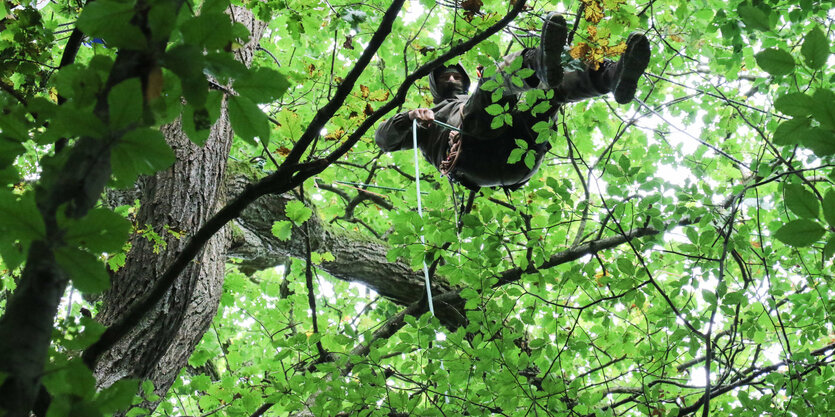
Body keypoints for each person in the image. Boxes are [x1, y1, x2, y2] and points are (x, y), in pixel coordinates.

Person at [374, 13, 651, 191]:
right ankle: (535, 64)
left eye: (455, 74)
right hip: (471, 155)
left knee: (547, 94)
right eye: (444, 76)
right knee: (493, 83)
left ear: (464, 81)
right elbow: (383, 140)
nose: (450, 78)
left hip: (520, 153)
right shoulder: (428, 118)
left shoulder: (474, 99)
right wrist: (409, 117)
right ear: (435, 88)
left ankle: (611, 78)